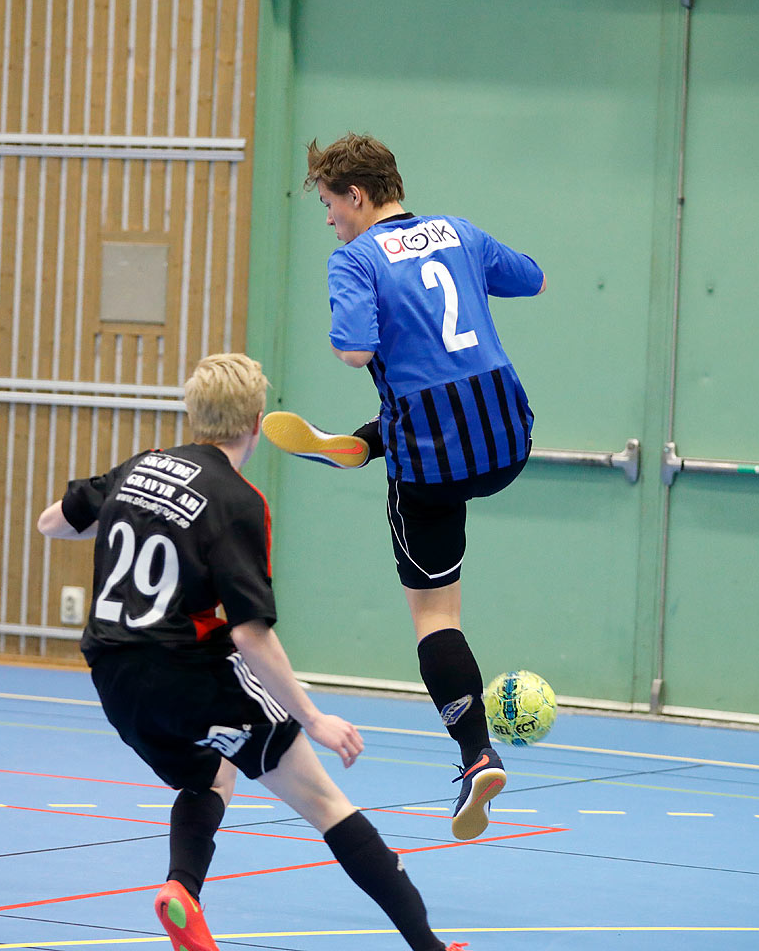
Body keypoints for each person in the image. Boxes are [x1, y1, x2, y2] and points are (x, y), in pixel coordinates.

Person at [37, 353, 462, 951]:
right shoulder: (237, 500)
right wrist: (314, 718)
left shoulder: (142, 468)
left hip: (111, 673)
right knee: (326, 804)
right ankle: (431, 948)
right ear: (257, 422)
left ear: (193, 413)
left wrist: (115, 515)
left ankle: (181, 890)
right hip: (187, 673)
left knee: (211, 775)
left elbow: (52, 522)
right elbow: (249, 634)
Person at [261, 132, 546, 841]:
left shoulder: (353, 259)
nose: (329, 220)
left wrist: (359, 315)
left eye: (330, 206)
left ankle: (477, 753)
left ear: (357, 197)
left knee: (435, 617)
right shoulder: (460, 231)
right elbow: (533, 277)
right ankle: (366, 440)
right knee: (416, 409)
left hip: (433, 454)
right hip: (508, 432)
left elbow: (355, 349)